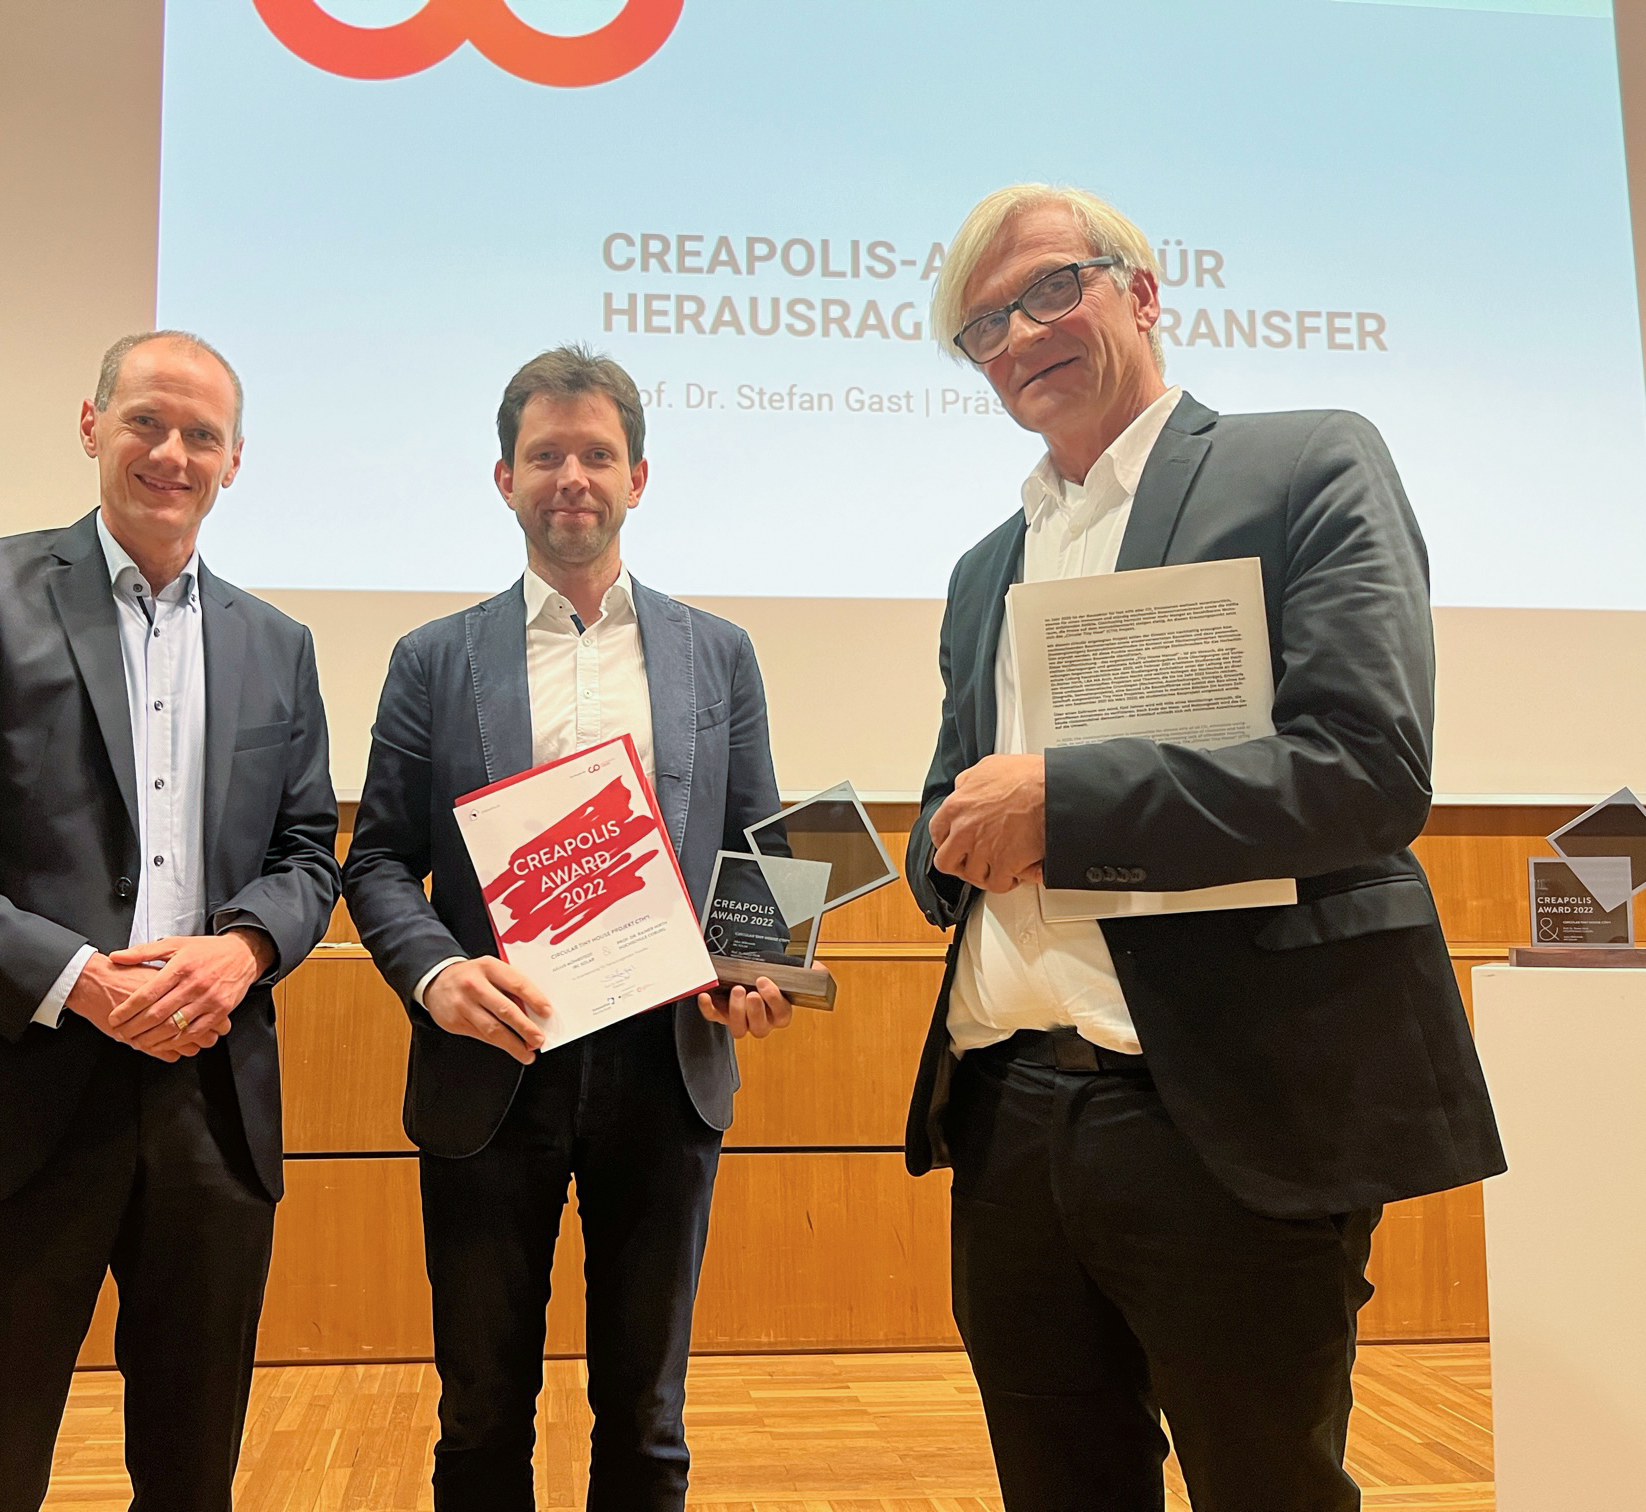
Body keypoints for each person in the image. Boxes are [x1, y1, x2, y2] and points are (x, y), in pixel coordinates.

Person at [902, 186, 1504, 1512]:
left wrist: (1061, 807)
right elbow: (956, 809)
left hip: (1224, 1114)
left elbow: (1365, 770)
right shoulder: (981, 566)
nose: (1019, 335)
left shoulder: (1304, 465)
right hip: (1008, 1117)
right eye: (985, 324)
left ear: (1143, 291)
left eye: (1052, 288)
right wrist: (944, 846)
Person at [0, 331, 340, 1512]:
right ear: (92, 423)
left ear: (236, 462)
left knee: (191, 1477)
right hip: (9, 1100)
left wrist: (244, 949)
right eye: (148, 421)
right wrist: (76, 978)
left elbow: (309, 855)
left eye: (202, 434)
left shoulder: (278, 646)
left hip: (211, 1110)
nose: (172, 452)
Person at [343, 345, 796, 1511]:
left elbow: (758, 851)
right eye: (546, 455)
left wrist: (762, 970)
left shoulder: (718, 654)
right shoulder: (434, 660)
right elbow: (380, 860)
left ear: (640, 477)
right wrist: (437, 974)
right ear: (504, 479)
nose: (572, 477)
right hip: (493, 1064)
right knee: (482, 1415)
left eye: (597, 454)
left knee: (647, 1423)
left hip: (665, 1069)